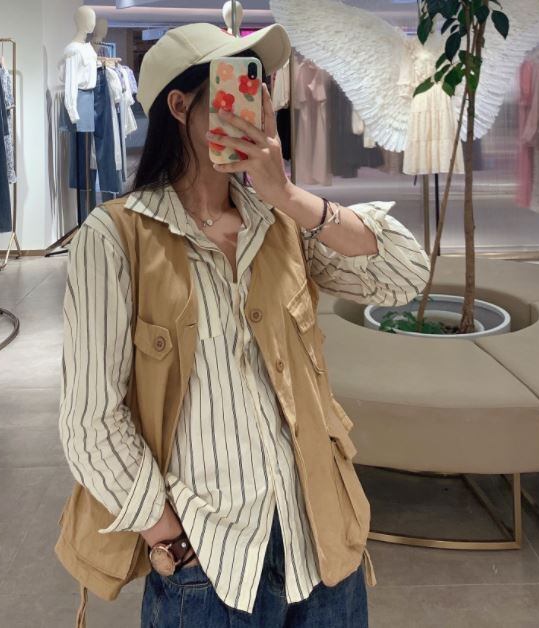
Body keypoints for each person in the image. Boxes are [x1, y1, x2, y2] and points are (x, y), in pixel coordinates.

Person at [58, 22, 431, 628]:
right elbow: (89, 421)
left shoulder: (280, 222)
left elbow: (404, 273)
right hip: (211, 565)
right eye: (238, 86)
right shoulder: (116, 237)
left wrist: (288, 195)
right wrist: (169, 539)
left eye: (260, 87)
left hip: (322, 547)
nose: (257, 107)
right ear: (180, 106)